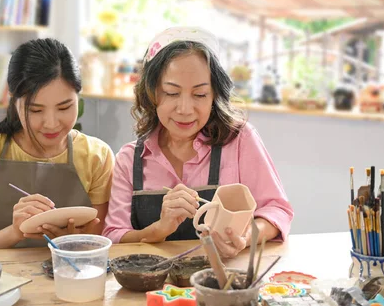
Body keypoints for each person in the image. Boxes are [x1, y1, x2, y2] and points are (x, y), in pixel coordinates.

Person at [103, 27, 294, 258]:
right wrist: (158, 229)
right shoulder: (130, 159)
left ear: (215, 96)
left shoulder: (239, 140)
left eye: (200, 94)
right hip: (151, 286)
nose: (185, 109)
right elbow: (113, 234)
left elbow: (277, 210)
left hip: (224, 281)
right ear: (152, 93)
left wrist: (244, 238)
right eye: (172, 93)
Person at [0, 38, 114, 251]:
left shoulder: (96, 156)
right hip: (0, 277)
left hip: (69, 275)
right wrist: (15, 232)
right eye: (35, 110)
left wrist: (70, 242)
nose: (51, 123)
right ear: (13, 100)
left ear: (78, 98)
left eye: (64, 108)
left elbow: (98, 246)